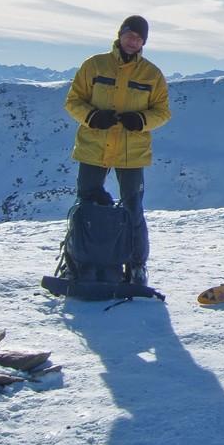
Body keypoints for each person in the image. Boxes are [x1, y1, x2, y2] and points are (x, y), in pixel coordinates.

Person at [64, 15, 171, 286]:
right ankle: (77, 263)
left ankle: (136, 267)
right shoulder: (94, 65)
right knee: (85, 205)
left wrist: (142, 120)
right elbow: (74, 101)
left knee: (133, 208)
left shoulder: (151, 74)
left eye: (139, 38)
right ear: (120, 35)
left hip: (131, 152)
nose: (133, 42)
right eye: (129, 35)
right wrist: (92, 117)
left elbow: (162, 112)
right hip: (93, 147)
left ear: (144, 42)